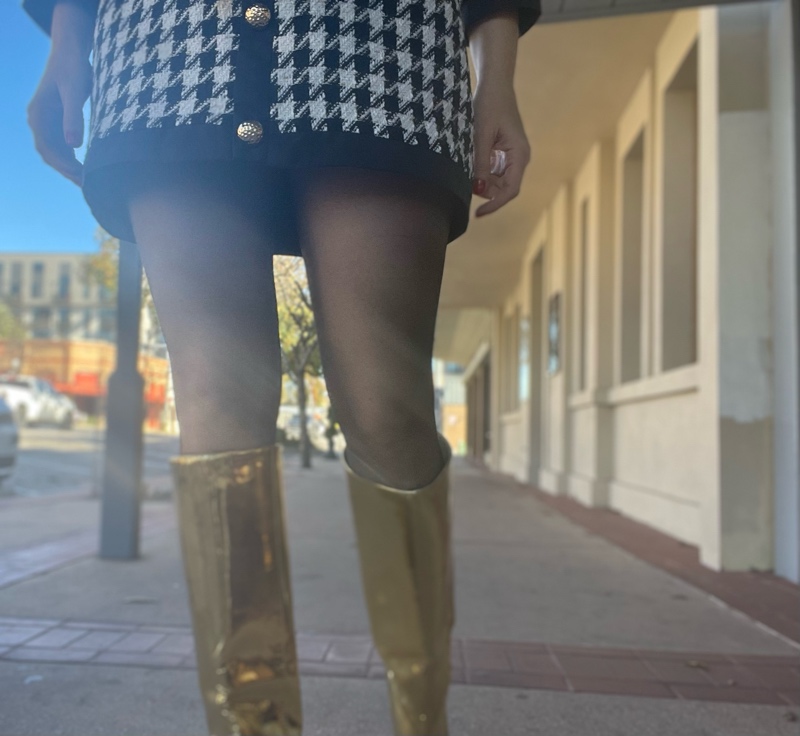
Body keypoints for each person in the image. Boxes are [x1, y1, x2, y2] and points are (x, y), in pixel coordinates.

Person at [23, 1, 540, 734]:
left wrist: (497, 77)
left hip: (375, 42)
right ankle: (252, 724)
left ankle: (421, 717)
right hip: (168, 48)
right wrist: (67, 45)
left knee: (386, 410)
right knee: (215, 402)